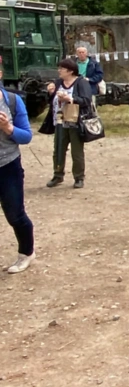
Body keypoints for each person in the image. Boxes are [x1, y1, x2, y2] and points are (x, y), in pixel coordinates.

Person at [0, 65, 36, 273]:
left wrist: (8, 128)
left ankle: (26, 253)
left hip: (7, 166)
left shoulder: (12, 101)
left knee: (15, 215)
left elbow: (26, 136)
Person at [39, 59, 92, 189]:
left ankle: (79, 177)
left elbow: (86, 100)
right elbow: (51, 100)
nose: (59, 71)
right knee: (58, 150)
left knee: (76, 152)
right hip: (59, 121)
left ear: (70, 71)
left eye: (61, 69)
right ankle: (58, 175)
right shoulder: (58, 82)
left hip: (76, 122)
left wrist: (70, 99)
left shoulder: (81, 83)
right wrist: (51, 92)